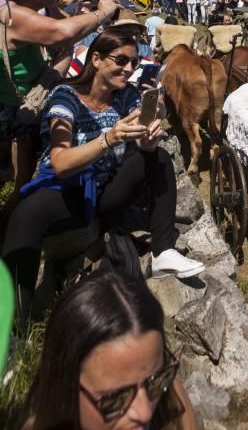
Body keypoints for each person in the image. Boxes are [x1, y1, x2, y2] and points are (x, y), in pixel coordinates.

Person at [2, 27, 204, 325]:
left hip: (106, 189)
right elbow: (59, 162)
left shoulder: (126, 97)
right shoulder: (66, 96)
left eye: (133, 63)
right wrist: (108, 138)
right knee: (27, 214)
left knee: (157, 156)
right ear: (95, 59)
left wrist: (148, 135)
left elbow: (141, 137)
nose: (129, 68)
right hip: (66, 188)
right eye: (120, 60)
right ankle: (14, 319)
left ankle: (163, 251)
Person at [0, 0, 119, 194]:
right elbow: (64, 33)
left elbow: (66, 26)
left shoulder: (24, 9)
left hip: (20, 105)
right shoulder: (15, 14)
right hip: (15, 108)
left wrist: (53, 5)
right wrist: (102, 13)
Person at [18, 270, 199, 430]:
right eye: (116, 399)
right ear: (65, 389)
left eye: (156, 379)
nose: (144, 412)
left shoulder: (171, 405)